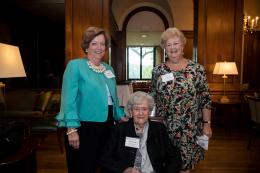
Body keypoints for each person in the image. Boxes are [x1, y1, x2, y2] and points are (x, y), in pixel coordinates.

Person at [56, 26, 127, 173]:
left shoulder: (109, 68)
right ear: (86, 46)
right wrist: (71, 129)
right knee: (84, 166)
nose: (99, 47)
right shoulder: (75, 66)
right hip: (84, 126)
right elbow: (68, 99)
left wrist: (120, 115)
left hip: (108, 125)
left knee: (106, 164)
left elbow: (112, 99)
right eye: (94, 43)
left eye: (102, 44)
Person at [150, 27, 212, 173]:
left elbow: (205, 98)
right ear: (165, 48)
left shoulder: (197, 69)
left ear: (183, 45)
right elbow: (151, 96)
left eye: (176, 43)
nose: (172, 48)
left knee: (185, 166)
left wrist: (207, 124)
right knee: (165, 165)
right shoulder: (158, 71)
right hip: (164, 127)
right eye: (168, 44)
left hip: (189, 129)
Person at [101, 91, 182, 173]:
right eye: (136, 109)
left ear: (149, 112)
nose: (140, 113)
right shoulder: (119, 130)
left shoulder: (159, 129)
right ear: (131, 112)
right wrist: (125, 169)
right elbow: (105, 158)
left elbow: (174, 157)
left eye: (144, 109)